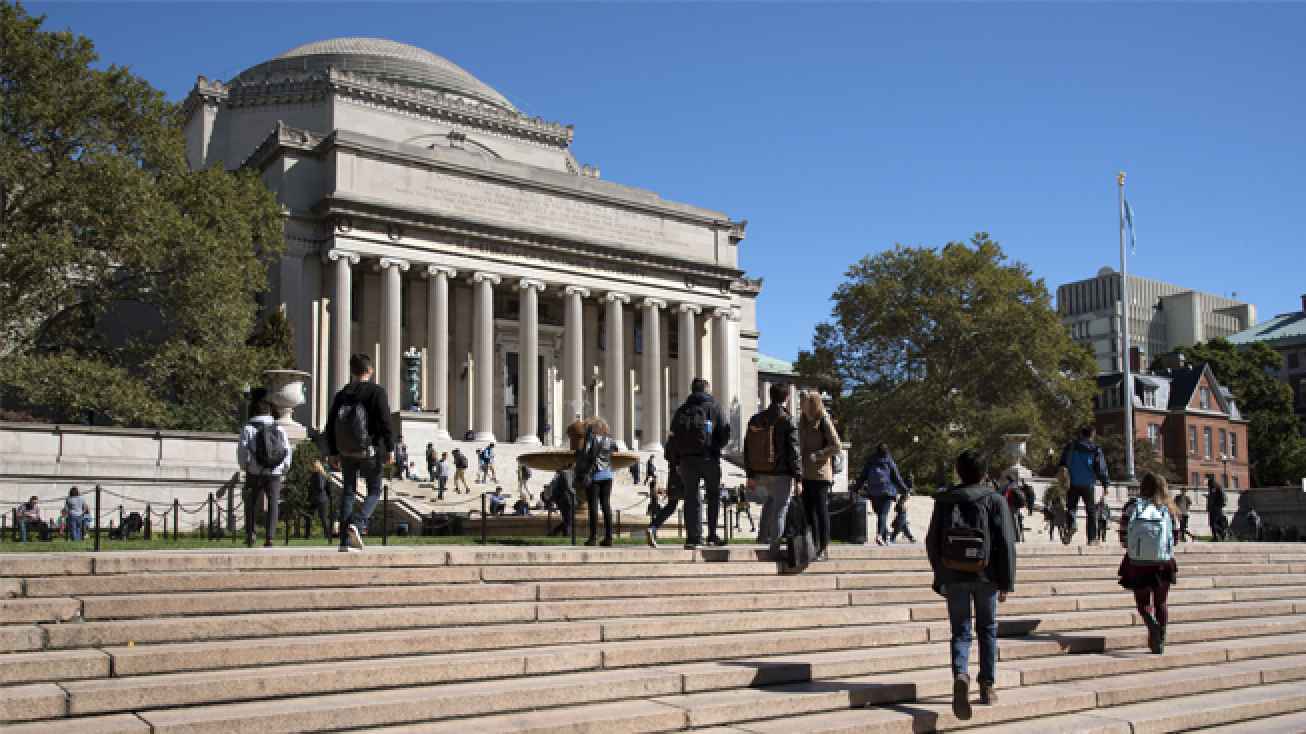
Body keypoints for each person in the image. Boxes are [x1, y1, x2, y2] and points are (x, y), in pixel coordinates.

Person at [926, 450, 1017, 721]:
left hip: (954, 575)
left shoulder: (944, 501)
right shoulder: (995, 500)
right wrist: (1006, 582)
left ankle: (961, 674)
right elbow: (1006, 544)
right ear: (984, 471)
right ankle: (987, 686)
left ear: (959, 470)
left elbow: (932, 541)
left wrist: (940, 575)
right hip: (986, 576)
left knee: (960, 631)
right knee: (987, 629)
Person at [324, 353, 395, 552]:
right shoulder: (376, 392)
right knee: (374, 490)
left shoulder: (342, 394)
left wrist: (332, 451)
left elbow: (330, 425)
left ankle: (344, 541)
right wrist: (390, 447)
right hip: (369, 450)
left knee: (348, 491)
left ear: (352, 371)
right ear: (370, 370)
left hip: (346, 451)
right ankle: (358, 522)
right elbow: (385, 422)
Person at [665, 377, 731, 549]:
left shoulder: (682, 410)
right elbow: (725, 432)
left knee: (691, 497)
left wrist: (677, 458)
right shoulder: (715, 407)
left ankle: (693, 537)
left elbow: (673, 436)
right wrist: (715, 447)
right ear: (706, 390)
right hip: (709, 457)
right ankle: (712, 535)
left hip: (687, 460)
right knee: (713, 496)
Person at [1118, 472, 1179, 655]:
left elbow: (1123, 533)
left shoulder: (1132, 506)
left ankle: (1151, 623)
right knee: (1161, 602)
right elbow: (1175, 538)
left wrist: (1131, 546)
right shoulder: (1168, 509)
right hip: (1163, 562)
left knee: (1143, 602)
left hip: (1137, 562)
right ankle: (1161, 637)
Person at [744, 383, 802, 551]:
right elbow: (794, 451)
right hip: (781, 472)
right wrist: (798, 477)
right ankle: (774, 547)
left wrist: (750, 474)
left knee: (769, 503)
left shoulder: (756, 418)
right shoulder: (788, 419)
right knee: (780, 509)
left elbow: (747, 447)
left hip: (760, 471)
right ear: (787, 397)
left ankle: (762, 538)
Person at [238, 389, 293, 548]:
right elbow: (286, 450)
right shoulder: (278, 428)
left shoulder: (248, 428)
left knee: (252, 503)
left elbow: (243, 450)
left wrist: (245, 466)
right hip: (274, 472)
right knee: (273, 503)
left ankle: (251, 534)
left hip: (254, 471)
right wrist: (284, 467)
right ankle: (270, 537)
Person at [798, 390, 842, 560]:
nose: (803, 405)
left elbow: (836, 445)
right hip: (805, 473)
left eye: (806, 402)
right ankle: (813, 545)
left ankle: (823, 546)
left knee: (820, 510)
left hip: (821, 473)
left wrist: (819, 454)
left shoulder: (823, 420)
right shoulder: (803, 420)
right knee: (809, 512)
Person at [1059, 426, 1111, 545]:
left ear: (1081, 434)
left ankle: (1071, 525)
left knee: (1071, 507)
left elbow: (1062, 463)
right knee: (1091, 511)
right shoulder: (1096, 449)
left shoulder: (1071, 446)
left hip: (1072, 482)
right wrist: (1105, 484)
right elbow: (1101, 468)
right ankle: (1092, 538)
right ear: (1092, 435)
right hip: (1088, 483)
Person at [576, 418, 617, 546]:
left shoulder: (592, 440)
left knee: (593, 507)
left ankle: (593, 537)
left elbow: (586, 454)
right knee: (606, 506)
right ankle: (609, 537)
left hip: (594, 476)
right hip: (608, 475)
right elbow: (615, 451)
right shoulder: (610, 441)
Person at [858, 443, 910, 546]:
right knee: (883, 514)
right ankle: (880, 535)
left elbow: (862, 476)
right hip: (887, 492)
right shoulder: (889, 461)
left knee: (880, 515)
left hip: (873, 492)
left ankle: (884, 536)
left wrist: (855, 488)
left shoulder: (871, 461)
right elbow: (897, 478)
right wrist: (905, 489)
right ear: (887, 451)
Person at [645, 458, 685, 547]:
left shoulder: (672, 444)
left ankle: (653, 527)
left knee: (671, 506)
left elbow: (667, 455)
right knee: (692, 503)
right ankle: (694, 537)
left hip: (673, 475)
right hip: (685, 473)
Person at [310, 461, 333, 543]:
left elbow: (320, 486)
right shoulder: (324, 475)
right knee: (323, 517)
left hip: (319, 498)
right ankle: (327, 534)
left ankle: (328, 534)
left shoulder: (316, 475)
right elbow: (328, 488)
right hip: (323, 498)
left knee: (323, 517)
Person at [1044, 467, 1069, 541]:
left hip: (1056, 513)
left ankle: (1057, 537)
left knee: (1058, 526)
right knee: (1059, 526)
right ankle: (1059, 537)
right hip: (1057, 513)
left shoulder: (1059, 493)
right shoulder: (1058, 494)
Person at [547, 471, 574, 538]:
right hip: (566, 500)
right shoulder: (565, 474)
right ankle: (555, 532)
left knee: (567, 519)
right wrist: (574, 492)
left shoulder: (560, 476)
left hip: (563, 500)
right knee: (568, 519)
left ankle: (564, 534)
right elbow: (568, 486)